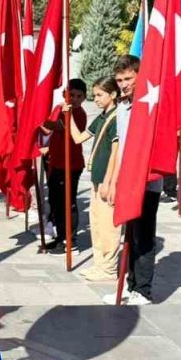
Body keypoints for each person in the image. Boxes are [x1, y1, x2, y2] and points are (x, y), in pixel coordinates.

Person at [100, 55, 159, 306]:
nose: (123, 84)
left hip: (146, 182)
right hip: (126, 180)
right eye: (119, 80)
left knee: (143, 237)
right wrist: (113, 182)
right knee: (130, 235)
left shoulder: (150, 105)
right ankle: (130, 283)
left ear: (139, 76)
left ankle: (143, 290)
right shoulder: (123, 108)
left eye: (128, 78)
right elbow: (120, 148)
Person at [59, 77, 120, 280]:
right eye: (95, 95)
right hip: (96, 178)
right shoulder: (102, 117)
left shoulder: (116, 118)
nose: (96, 99)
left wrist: (109, 181)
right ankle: (99, 263)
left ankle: (109, 268)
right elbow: (78, 138)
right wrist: (68, 116)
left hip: (106, 180)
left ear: (113, 94)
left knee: (108, 226)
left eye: (100, 95)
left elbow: (115, 153)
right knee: (96, 223)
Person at [40, 78, 88, 251]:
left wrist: (38, 117)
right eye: (71, 95)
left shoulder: (79, 114)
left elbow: (58, 126)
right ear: (64, 94)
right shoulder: (60, 109)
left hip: (71, 165)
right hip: (56, 162)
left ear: (84, 98)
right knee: (55, 202)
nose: (74, 99)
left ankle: (70, 240)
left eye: (78, 96)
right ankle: (60, 236)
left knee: (68, 203)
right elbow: (49, 129)